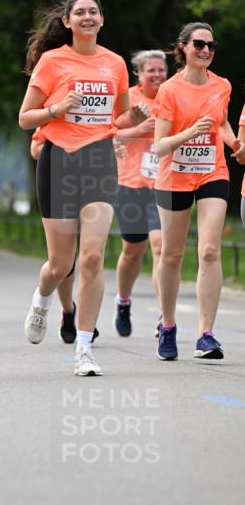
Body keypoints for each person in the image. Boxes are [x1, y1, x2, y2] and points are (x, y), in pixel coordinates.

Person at [18, 0, 146, 377]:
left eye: (94, 12)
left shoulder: (115, 64)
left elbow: (119, 118)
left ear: (101, 20)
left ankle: (86, 348)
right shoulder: (53, 61)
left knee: (92, 258)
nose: (88, 17)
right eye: (80, 12)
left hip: (98, 160)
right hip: (58, 159)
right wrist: (57, 108)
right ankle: (42, 300)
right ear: (68, 22)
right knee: (60, 264)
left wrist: (135, 120)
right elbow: (26, 118)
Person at [152, 22, 237, 361]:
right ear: (183, 47)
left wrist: (234, 142)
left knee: (210, 250)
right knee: (172, 256)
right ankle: (169, 325)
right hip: (174, 177)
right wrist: (189, 133)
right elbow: (159, 145)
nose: (206, 50)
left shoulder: (222, 85)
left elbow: (221, 121)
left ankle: (206, 334)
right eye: (199, 44)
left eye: (211, 46)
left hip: (212, 173)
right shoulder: (170, 90)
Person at [113, 50, 167, 337]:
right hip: (131, 184)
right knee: (132, 251)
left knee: (160, 246)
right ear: (139, 74)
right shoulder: (128, 100)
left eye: (162, 70)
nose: (158, 75)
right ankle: (123, 301)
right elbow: (106, 134)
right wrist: (139, 128)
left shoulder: (172, 96)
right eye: (152, 71)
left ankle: (163, 316)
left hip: (164, 185)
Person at [29, 129, 99, 345]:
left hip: (95, 181)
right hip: (61, 184)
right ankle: (67, 309)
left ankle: (85, 329)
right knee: (63, 264)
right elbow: (36, 149)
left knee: (92, 257)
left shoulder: (101, 110)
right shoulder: (59, 110)